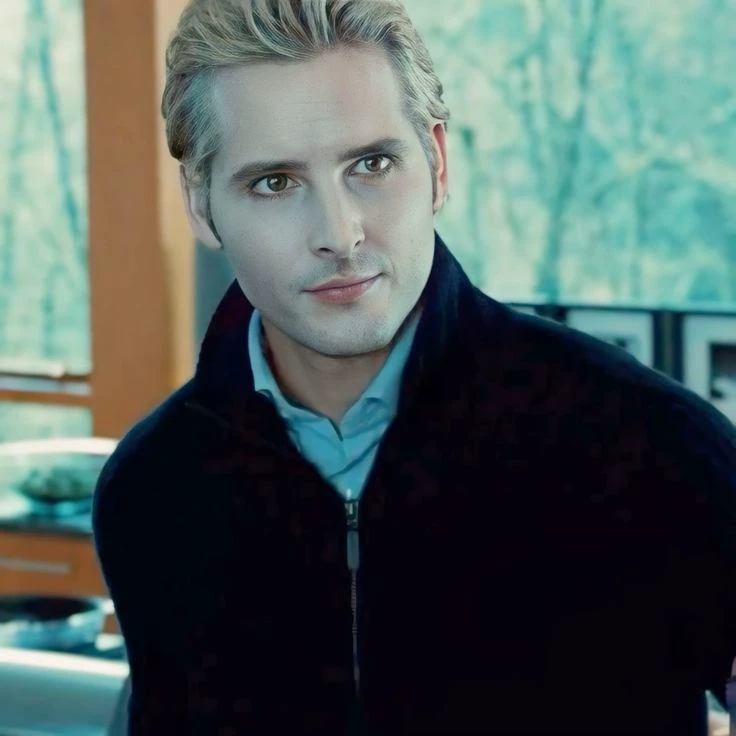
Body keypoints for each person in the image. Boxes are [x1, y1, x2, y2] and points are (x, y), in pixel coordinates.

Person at [91, 0, 736, 733]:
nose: (339, 234)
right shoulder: (152, 490)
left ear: (436, 164)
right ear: (201, 206)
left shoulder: (654, 446)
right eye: (275, 182)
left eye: (371, 164)